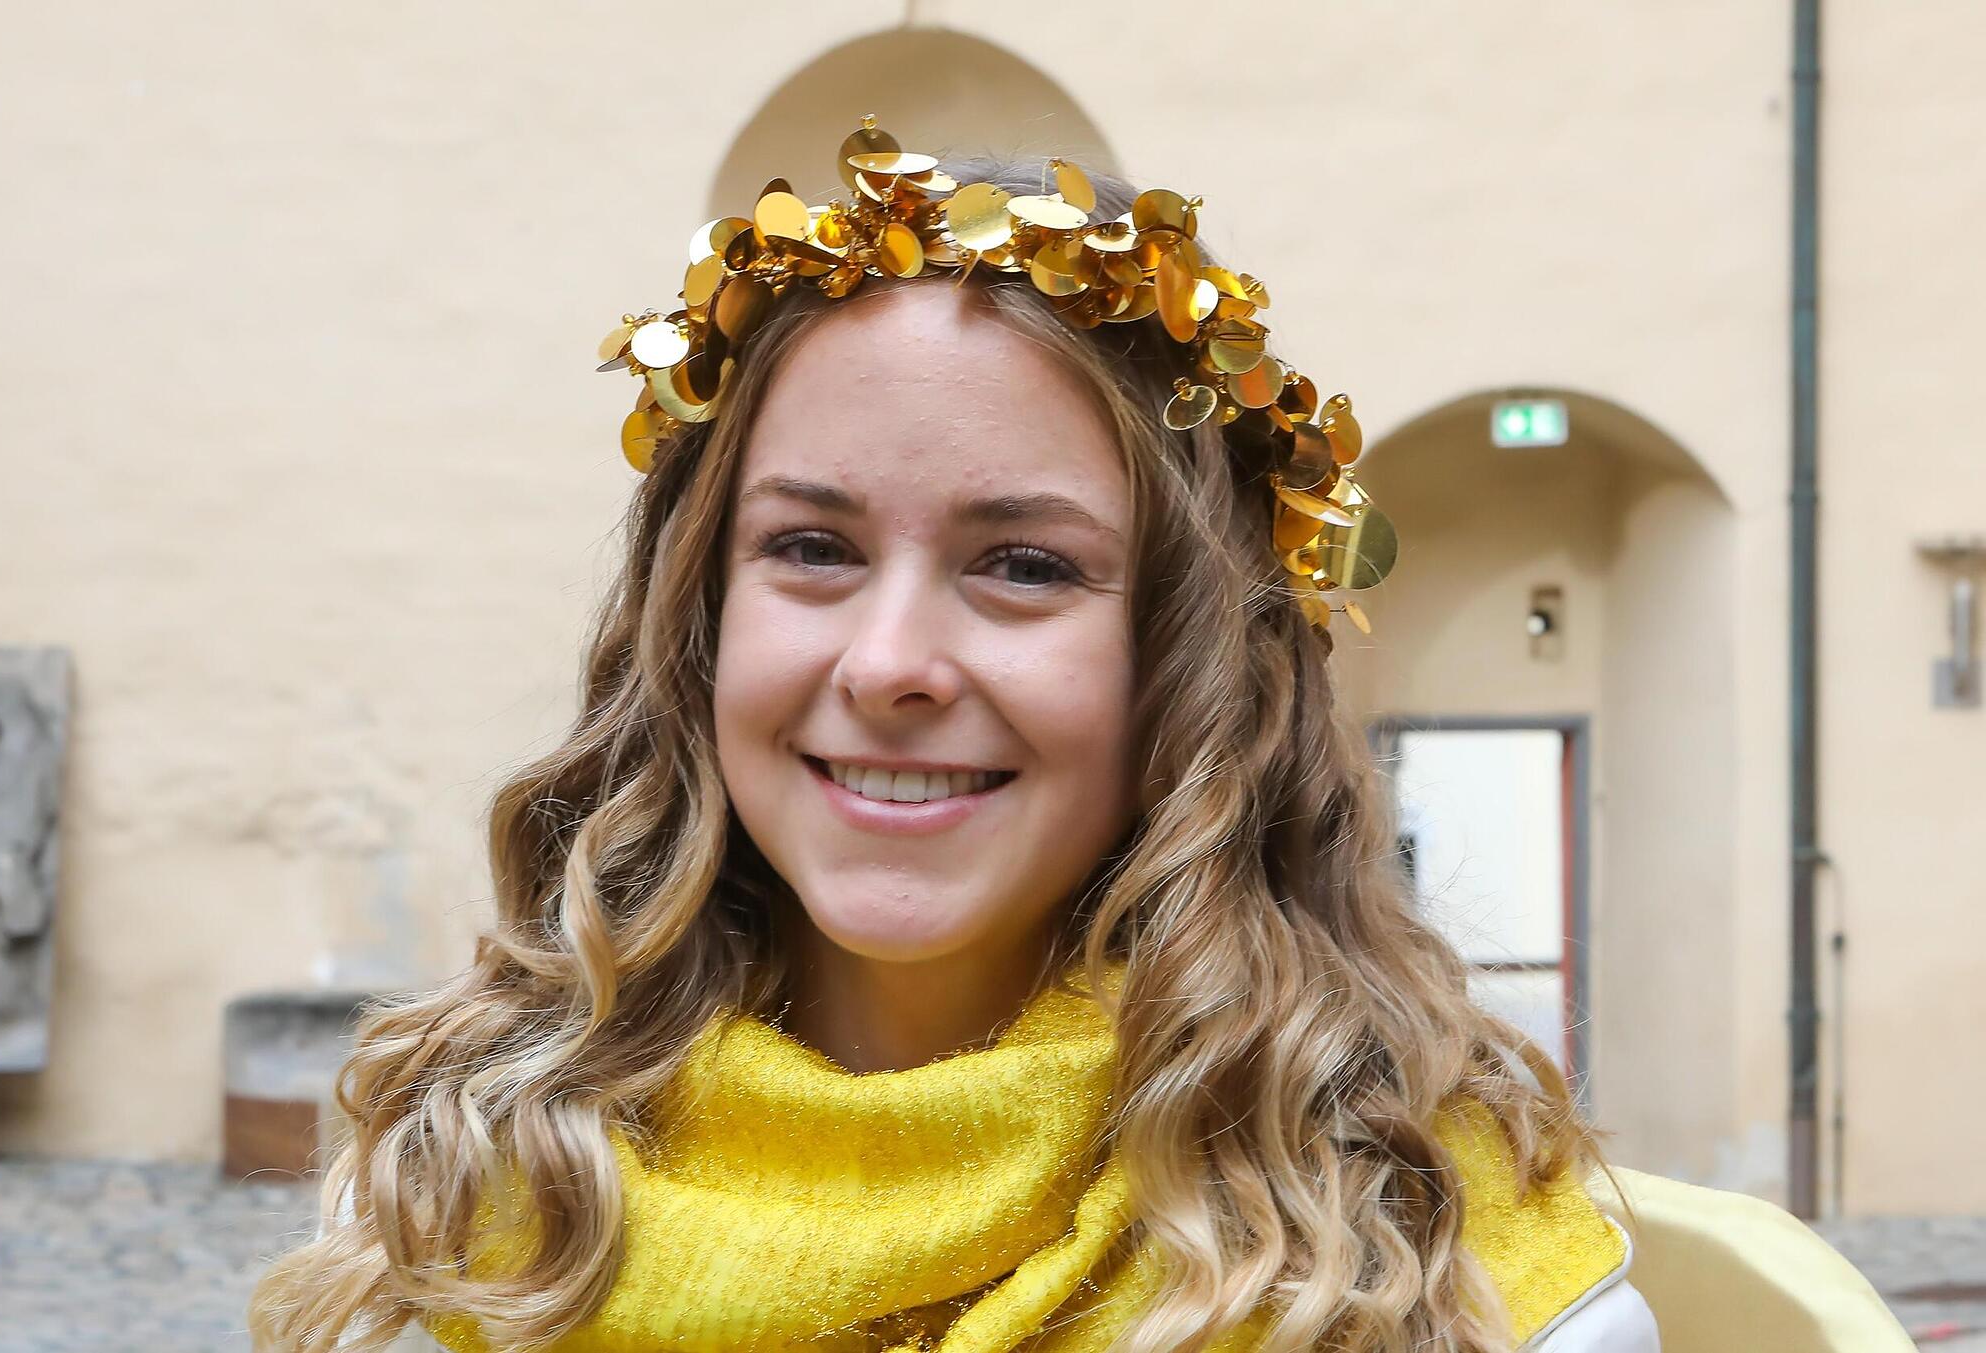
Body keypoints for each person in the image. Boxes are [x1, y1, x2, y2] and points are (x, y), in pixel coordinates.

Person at [250, 120, 1659, 1351]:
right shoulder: (467, 1201)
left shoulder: (1443, 1272)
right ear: (700, 621)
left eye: (1026, 565)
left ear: (1195, 660)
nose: (890, 663)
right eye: (811, 546)